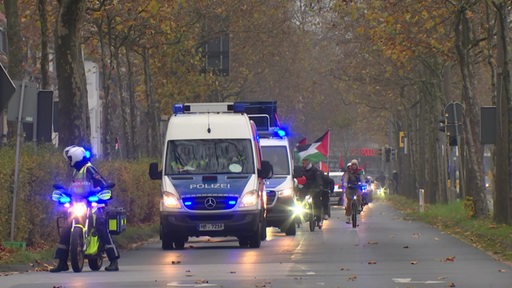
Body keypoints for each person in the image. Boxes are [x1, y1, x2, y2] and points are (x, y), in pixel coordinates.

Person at [50, 145, 120, 272]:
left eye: (70, 158)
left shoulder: (89, 169)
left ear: (76, 157)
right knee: (67, 227)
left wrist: (104, 188)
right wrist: (64, 191)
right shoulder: (76, 171)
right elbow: (73, 188)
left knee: (100, 225)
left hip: (92, 204)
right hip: (78, 203)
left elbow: (101, 181)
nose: (69, 161)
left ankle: (113, 260)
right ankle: (62, 262)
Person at [343, 159, 364, 224]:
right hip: (349, 187)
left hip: (357, 187)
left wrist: (363, 183)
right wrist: (345, 183)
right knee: (349, 203)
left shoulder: (360, 171)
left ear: (357, 165)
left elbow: (362, 178)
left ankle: (358, 207)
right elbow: (346, 178)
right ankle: (348, 217)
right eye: (353, 165)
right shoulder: (348, 172)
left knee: (359, 197)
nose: (354, 166)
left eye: (355, 165)